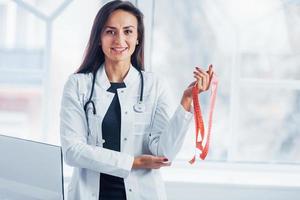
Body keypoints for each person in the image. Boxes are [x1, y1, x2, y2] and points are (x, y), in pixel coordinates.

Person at [60, 1, 214, 200]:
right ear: (99, 38)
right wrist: (133, 162)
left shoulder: (154, 85)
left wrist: (186, 101)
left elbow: (164, 152)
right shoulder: (78, 85)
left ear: (138, 37)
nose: (119, 39)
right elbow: (73, 151)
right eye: (110, 31)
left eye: (128, 31)